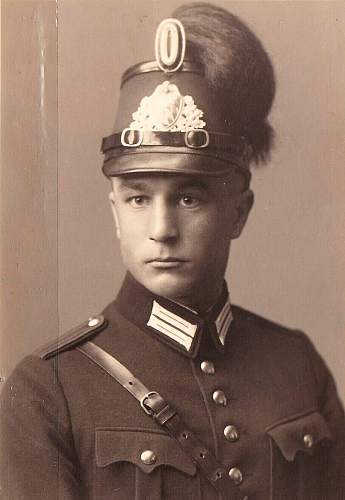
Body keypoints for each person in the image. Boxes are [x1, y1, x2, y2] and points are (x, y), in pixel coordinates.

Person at [1, 3, 344, 499]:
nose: (162, 229)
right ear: (115, 211)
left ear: (239, 212)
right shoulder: (49, 390)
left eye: (189, 197)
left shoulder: (297, 365)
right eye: (139, 198)